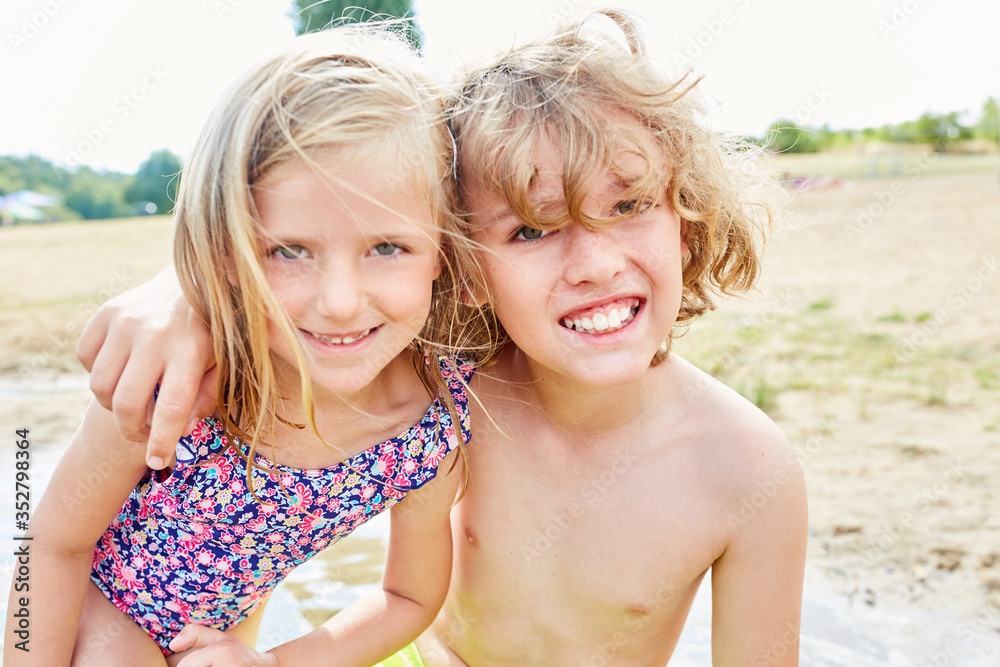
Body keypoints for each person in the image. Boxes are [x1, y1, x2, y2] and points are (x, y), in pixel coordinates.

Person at [73, 9, 807, 665]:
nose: (596, 264)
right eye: (531, 228)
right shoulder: (445, 384)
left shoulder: (748, 471)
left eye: (630, 204)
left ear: (691, 215)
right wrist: (181, 295)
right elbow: (314, 261)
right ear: (463, 262)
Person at [5, 28, 482, 667]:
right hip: (89, 613)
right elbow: (53, 544)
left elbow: (407, 597)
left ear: (444, 251)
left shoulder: (432, 429)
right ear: (229, 254)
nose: (339, 301)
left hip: (220, 642)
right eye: (289, 251)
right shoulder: (186, 378)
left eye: (387, 247)